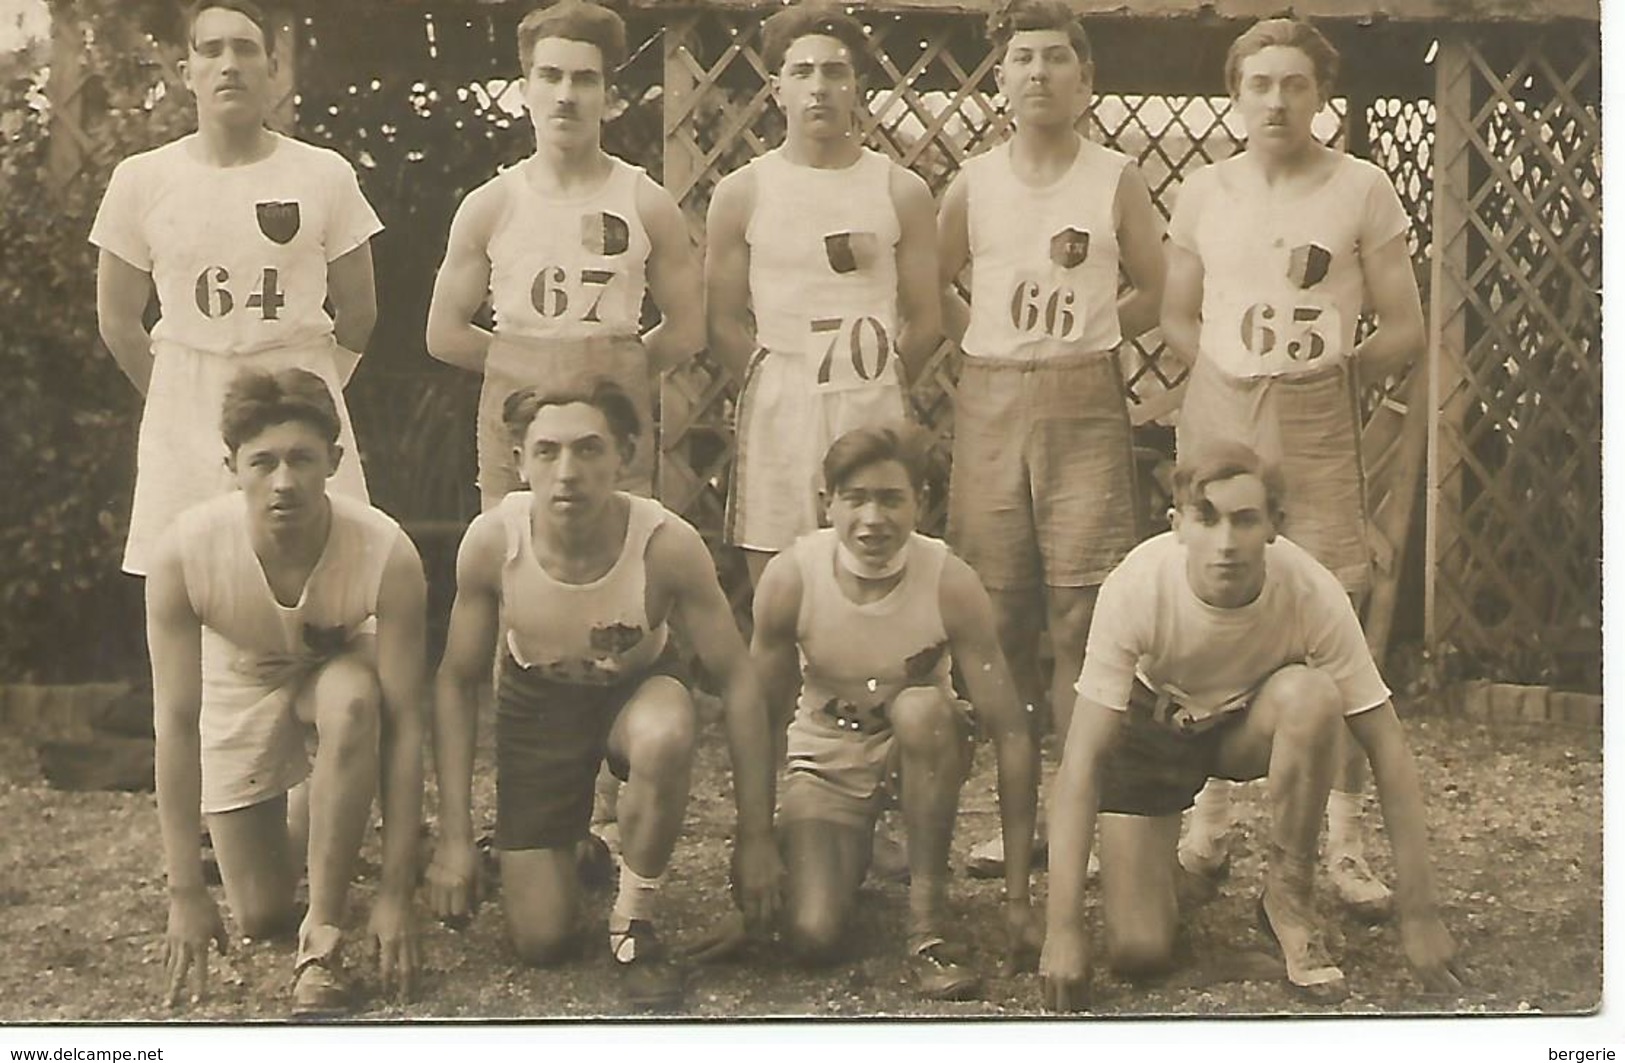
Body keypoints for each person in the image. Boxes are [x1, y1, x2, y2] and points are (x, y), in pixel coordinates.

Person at [1037, 443, 1462, 1008]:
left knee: (1313, 695)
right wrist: (1062, 928)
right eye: (1206, 517)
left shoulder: (1310, 589)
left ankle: (1288, 900)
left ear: (1274, 526)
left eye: (1245, 519)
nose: (1226, 541)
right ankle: (1161, 877)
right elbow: (1082, 759)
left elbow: (1386, 743)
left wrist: (1421, 913)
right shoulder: (1137, 584)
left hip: (1244, 726)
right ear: (1178, 525)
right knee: (1139, 952)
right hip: (1154, 729)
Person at [1160, 17, 1426, 918]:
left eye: (1294, 84)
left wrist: (1331, 379)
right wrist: (1227, 376)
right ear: (1234, 95)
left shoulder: (1360, 186)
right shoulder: (1204, 189)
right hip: (1221, 402)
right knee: (1213, 596)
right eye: (1259, 84)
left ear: (1319, 95)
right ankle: (1209, 816)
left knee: (1331, 616)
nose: (1276, 100)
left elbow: (1403, 327)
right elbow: (1174, 317)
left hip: (1316, 407)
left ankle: (1345, 841)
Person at [425, 381, 780, 1011]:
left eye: (590, 450)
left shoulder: (664, 544)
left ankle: (634, 924)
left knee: (667, 732)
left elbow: (739, 679)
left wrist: (756, 836)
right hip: (538, 701)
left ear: (625, 456)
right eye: (549, 452)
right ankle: (583, 848)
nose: (568, 473)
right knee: (542, 940)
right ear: (520, 460)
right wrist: (454, 836)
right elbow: (457, 681)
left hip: (633, 690)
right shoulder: (493, 542)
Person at [935, 0, 1166, 875]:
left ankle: (1083, 812)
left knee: (1082, 610)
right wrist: (983, 331)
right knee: (998, 614)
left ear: (1084, 79)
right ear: (1000, 81)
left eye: (1056, 59)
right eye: (1022, 59)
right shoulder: (972, 181)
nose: (1038, 74)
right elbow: (934, 281)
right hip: (992, 393)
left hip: (1084, 396)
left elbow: (1155, 284)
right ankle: (1014, 817)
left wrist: (1097, 330)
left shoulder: (1115, 178)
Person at [689, 425, 1040, 999]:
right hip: (830, 758)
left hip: (919, 751)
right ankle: (837, 848)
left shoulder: (949, 581)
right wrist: (751, 843)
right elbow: (760, 715)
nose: (873, 519)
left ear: (919, 504)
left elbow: (1012, 731)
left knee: (922, 709)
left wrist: (1019, 898)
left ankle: (927, 925)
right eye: (855, 499)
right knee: (811, 934)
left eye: (891, 499)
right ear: (827, 503)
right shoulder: (792, 577)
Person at [146, 368, 426, 1018]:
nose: (283, 481)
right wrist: (184, 887)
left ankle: (322, 944)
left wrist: (394, 889)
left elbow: (408, 720)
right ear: (230, 467)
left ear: (333, 459)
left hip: (331, 667)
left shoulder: (386, 551)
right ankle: (317, 792)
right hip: (240, 675)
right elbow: (177, 722)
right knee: (262, 911)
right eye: (262, 462)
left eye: (301, 459)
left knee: (356, 699)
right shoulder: (184, 553)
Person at [93, 0, 379, 578]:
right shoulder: (141, 179)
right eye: (212, 50)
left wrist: (312, 387)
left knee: (326, 576)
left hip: (297, 383)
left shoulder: (323, 173)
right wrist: (174, 390)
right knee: (189, 579)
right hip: (188, 397)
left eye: (247, 49)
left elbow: (359, 310)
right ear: (186, 73)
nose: (230, 64)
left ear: (274, 69)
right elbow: (119, 320)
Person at [426, 0, 704, 506]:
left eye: (584, 80)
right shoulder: (490, 205)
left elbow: (687, 329)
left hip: (613, 419)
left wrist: (614, 365)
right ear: (526, 89)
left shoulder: (645, 202)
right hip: (517, 419)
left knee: (624, 557)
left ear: (609, 95)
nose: (565, 96)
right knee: (512, 556)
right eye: (549, 76)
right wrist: (530, 363)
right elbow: (443, 333)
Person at [706, 2, 942, 588]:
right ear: (777, 88)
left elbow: (926, 317)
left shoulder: (899, 189)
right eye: (802, 72)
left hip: (871, 393)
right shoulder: (743, 192)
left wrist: (880, 377)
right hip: (783, 393)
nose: (819, 88)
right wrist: (773, 379)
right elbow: (723, 322)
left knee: (877, 558)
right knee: (779, 569)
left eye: (834, 72)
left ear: (856, 86)